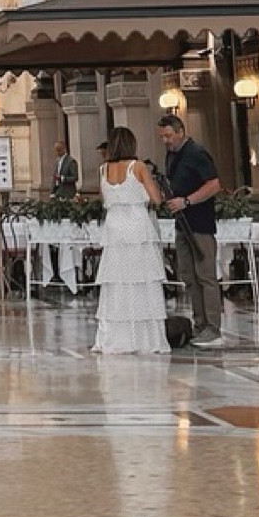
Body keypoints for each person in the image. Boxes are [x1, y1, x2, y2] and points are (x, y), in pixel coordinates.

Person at [93, 126, 167, 354]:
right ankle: (143, 338)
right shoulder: (138, 167)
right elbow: (156, 199)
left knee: (117, 282)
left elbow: (104, 197)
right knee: (141, 279)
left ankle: (115, 337)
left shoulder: (104, 169)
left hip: (115, 227)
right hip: (136, 225)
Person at [156, 114, 225, 346]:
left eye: (168, 135)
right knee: (189, 275)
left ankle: (213, 328)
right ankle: (199, 324)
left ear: (180, 131)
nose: (165, 140)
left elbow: (214, 184)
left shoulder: (196, 153)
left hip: (200, 223)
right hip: (182, 224)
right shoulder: (172, 155)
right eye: (162, 137)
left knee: (205, 276)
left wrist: (187, 201)